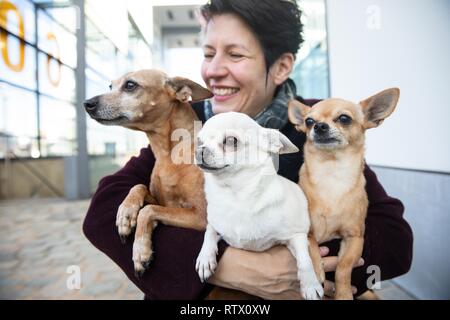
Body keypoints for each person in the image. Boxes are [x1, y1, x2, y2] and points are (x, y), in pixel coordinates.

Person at [83, 0, 413, 300]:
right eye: (208, 54)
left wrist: (298, 265)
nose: (213, 70)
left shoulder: (319, 125)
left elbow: (393, 240)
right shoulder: (188, 123)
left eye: (235, 54)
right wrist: (231, 264)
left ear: (281, 66)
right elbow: (101, 214)